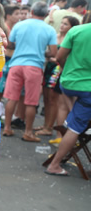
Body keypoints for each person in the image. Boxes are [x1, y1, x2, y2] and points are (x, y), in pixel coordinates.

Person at [1, 1, 57, 142]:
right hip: (34, 67)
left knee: (12, 98)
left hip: (16, 64)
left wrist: (21, 47)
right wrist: (40, 52)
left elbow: (11, 44)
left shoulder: (19, 25)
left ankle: (7, 128)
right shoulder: (49, 29)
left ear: (31, 12)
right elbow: (53, 52)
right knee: (31, 102)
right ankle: (28, 132)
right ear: (46, 14)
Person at [44, 22, 91, 176]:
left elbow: (59, 57)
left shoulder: (77, 30)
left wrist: (67, 68)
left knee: (72, 113)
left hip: (69, 82)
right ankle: (54, 165)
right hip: (87, 88)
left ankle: (71, 121)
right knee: (76, 128)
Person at [38, 15, 80, 141]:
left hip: (59, 69)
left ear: (72, 27)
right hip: (49, 68)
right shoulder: (55, 36)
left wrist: (56, 59)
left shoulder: (70, 38)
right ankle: (46, 125)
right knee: (46, 98)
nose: (62, 26)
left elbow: (65, 57)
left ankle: (50, 127)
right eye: (62, 23)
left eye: (65, 24)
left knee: (53, 99)